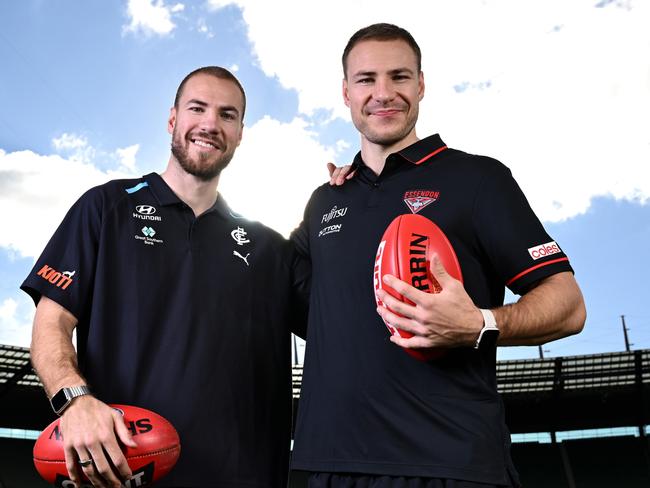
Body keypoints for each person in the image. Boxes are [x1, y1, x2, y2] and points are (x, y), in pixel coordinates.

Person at [291, 23, 586, 488]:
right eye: (366, 80)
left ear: (422, 84)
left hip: (451, 465)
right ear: (345, 92)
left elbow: (569, 305)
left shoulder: (478, 179)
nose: (383, 93)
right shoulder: (325, 200)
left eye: (400, 77)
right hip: (329, 467)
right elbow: (268, 287)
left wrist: (480, 324)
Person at [22, 66, 309, 488]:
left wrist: (345, 200)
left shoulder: (271, 249)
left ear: (241, 133)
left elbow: (342, 320)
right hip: (126, 473)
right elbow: (52, 323)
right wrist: (74, 401)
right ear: (172, 118)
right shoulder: (105, 208)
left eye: (228, 115)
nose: (211, 124)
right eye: (198, 108)